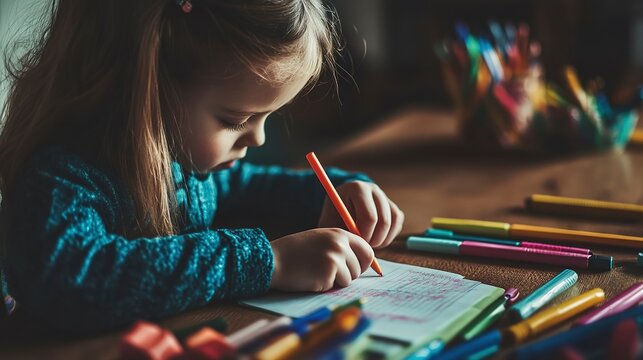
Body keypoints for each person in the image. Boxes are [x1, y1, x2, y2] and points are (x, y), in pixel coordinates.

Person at [0, 0, 404, 332]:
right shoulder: (61, 178)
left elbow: (249, 187)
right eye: (235, 120)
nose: (258, 139)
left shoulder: (185, 168)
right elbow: (77, 279)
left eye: (269, 116)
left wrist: (339, 189)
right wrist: (270, 262)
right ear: (144, 87)